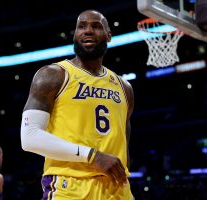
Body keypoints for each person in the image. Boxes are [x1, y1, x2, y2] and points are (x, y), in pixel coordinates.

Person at [21, 9, 134, 199]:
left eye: (96, 26)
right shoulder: (53, 75)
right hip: (69, 187)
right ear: (75, 35)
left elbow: (124, 146)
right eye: (81, 26)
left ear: (109, 36)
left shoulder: (125, 88)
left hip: (117, 189)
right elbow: (29, 137)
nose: (87, 31)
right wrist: (92, 156)